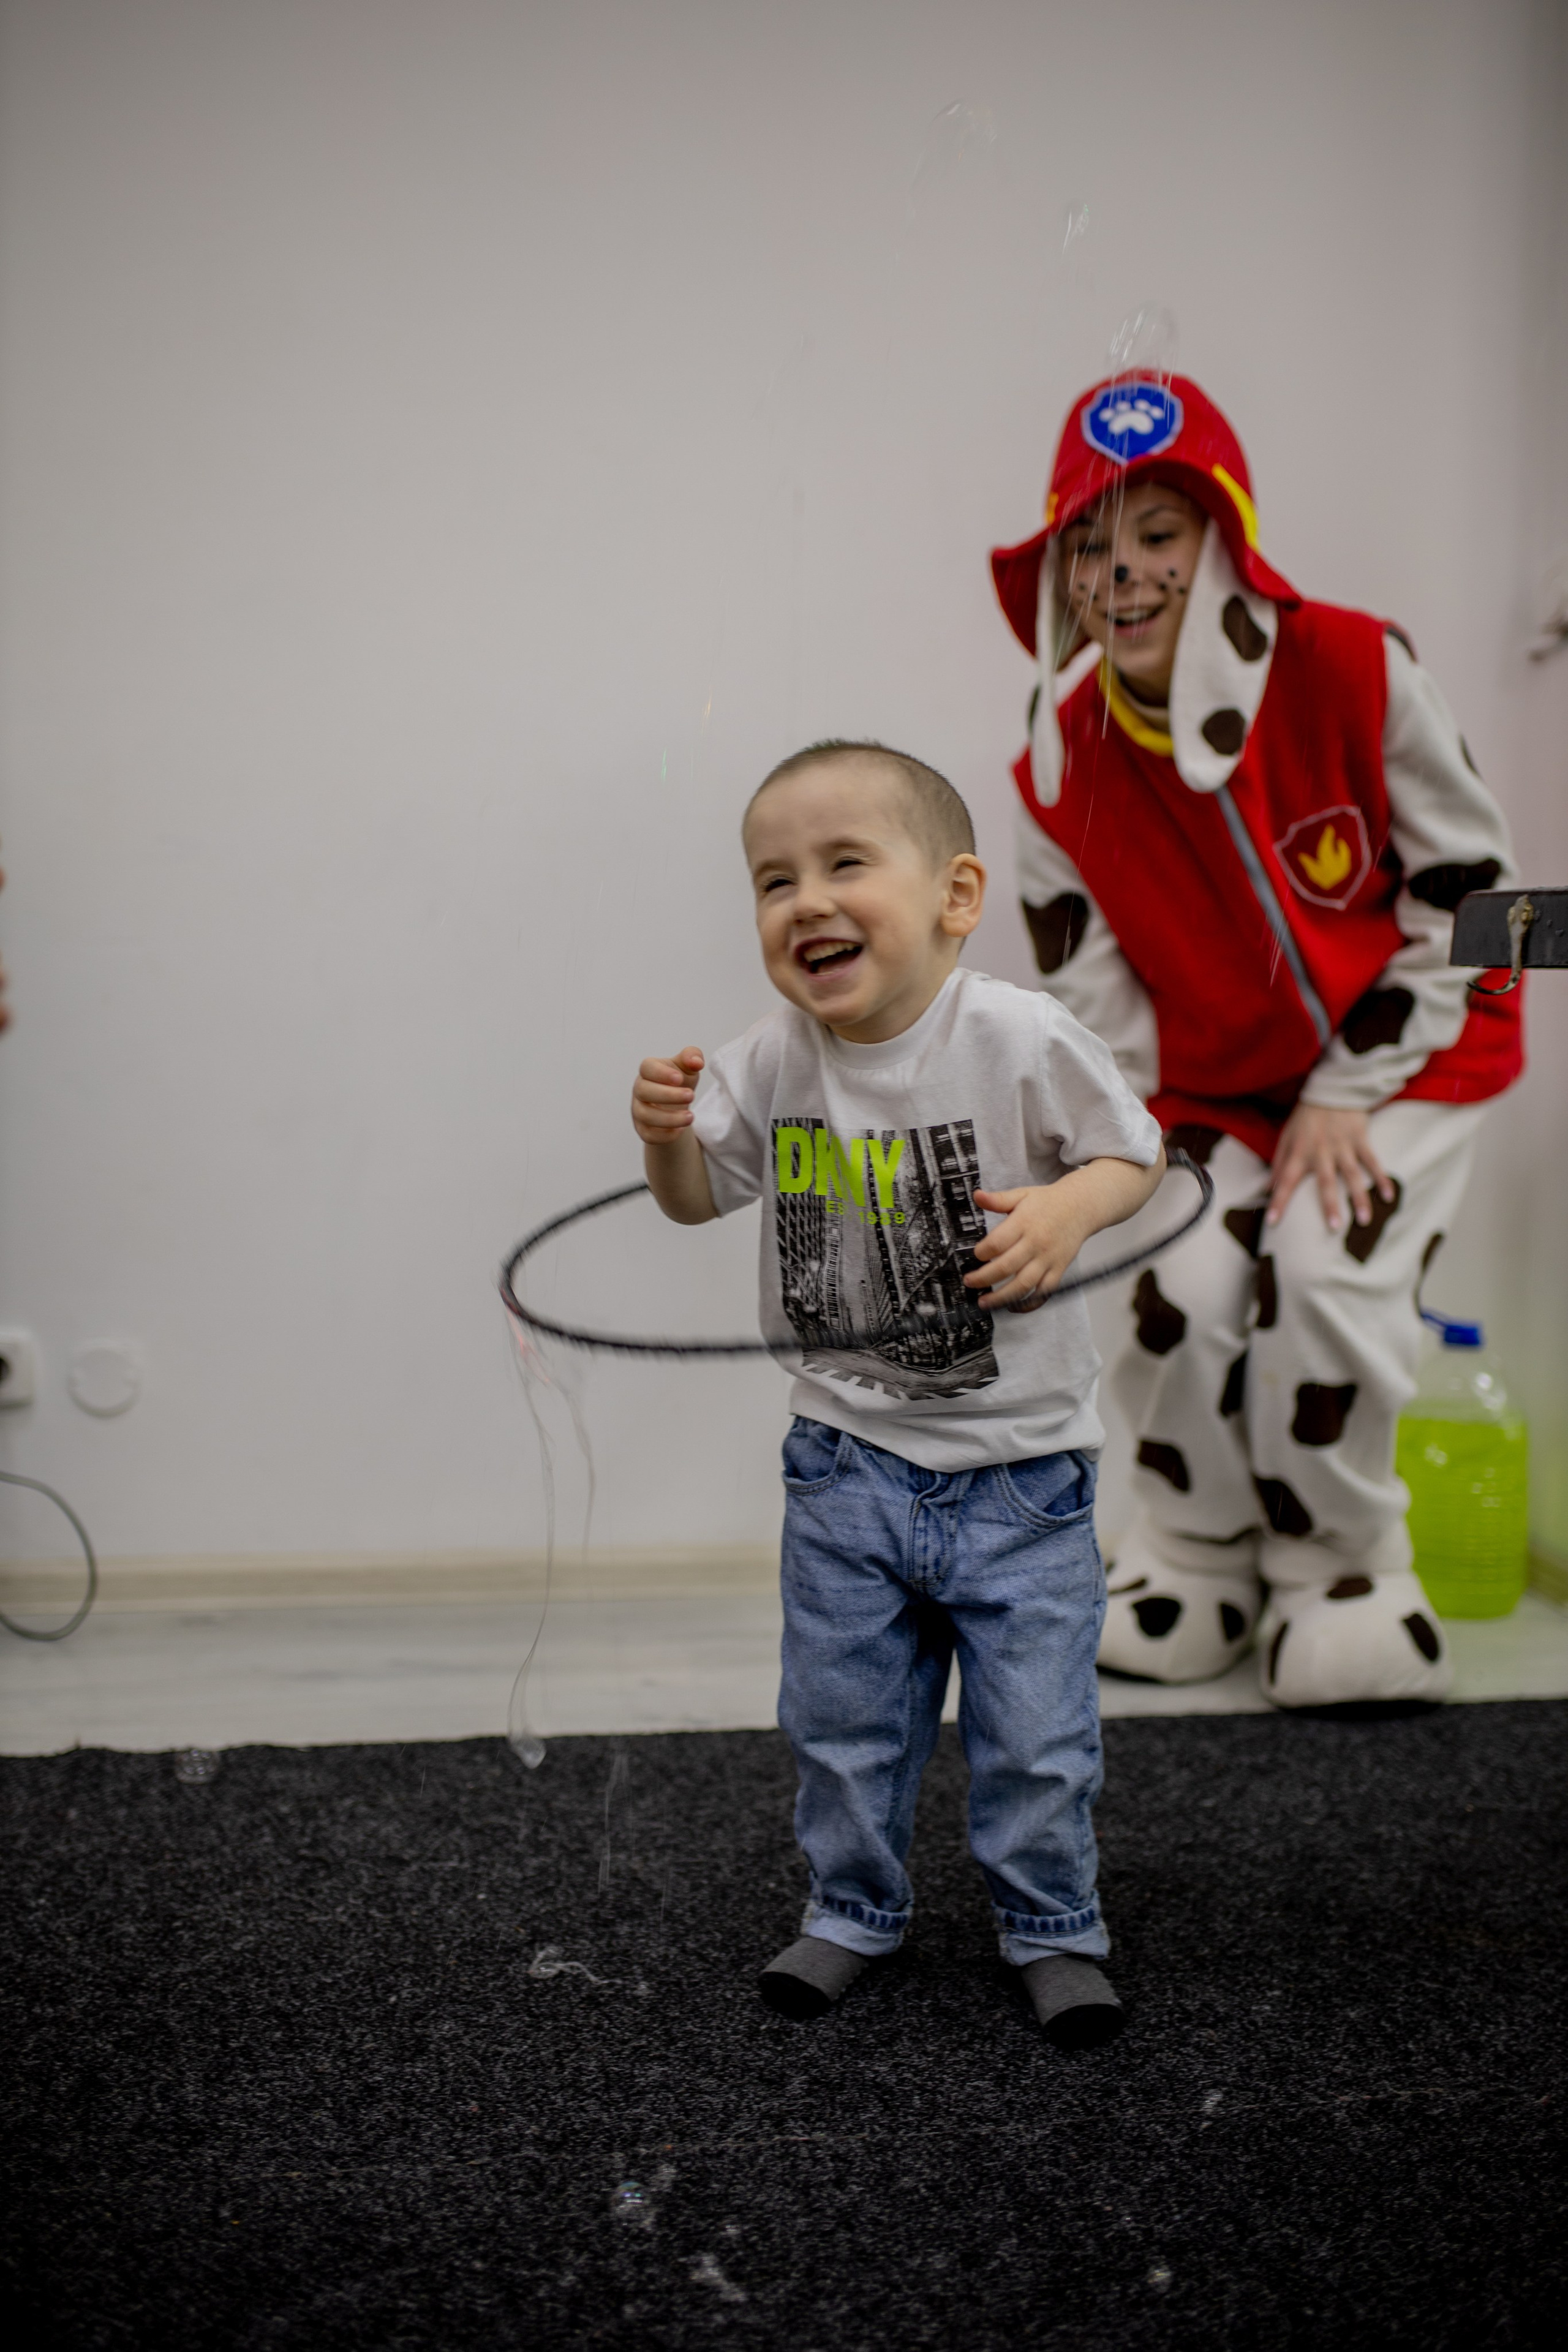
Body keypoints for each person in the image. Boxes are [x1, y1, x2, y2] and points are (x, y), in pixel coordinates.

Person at [989, 373, 1522, 1707]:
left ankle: (1346, 1567)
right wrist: (1127, 1166)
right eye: (1090, 546)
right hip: (1218, 1091)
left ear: (1221, 536)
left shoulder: (1354, 661)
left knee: (1320, 1271)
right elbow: (1096, 1012)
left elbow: (1492, 900)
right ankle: (1195, 1551)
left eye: (1156, 534)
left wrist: (1348, 1090)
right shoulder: (1055, 763)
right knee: (1173, 1281)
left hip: (1424, 1043)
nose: (1123, 574)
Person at [630, 741, 1164, 2045]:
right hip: (843, 1465)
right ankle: (850, 1910)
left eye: (843, 864)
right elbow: (700, 1203)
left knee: (1034, 1736)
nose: (803, 900)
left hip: (1019, 1478)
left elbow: (1134, 1153)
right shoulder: (768, 1061)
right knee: (838, 1722)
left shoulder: (1018, 1037)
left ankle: (1049, 1925)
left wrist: (1062, 1213)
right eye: (771, 881)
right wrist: (659, 1140)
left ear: (955, 894)